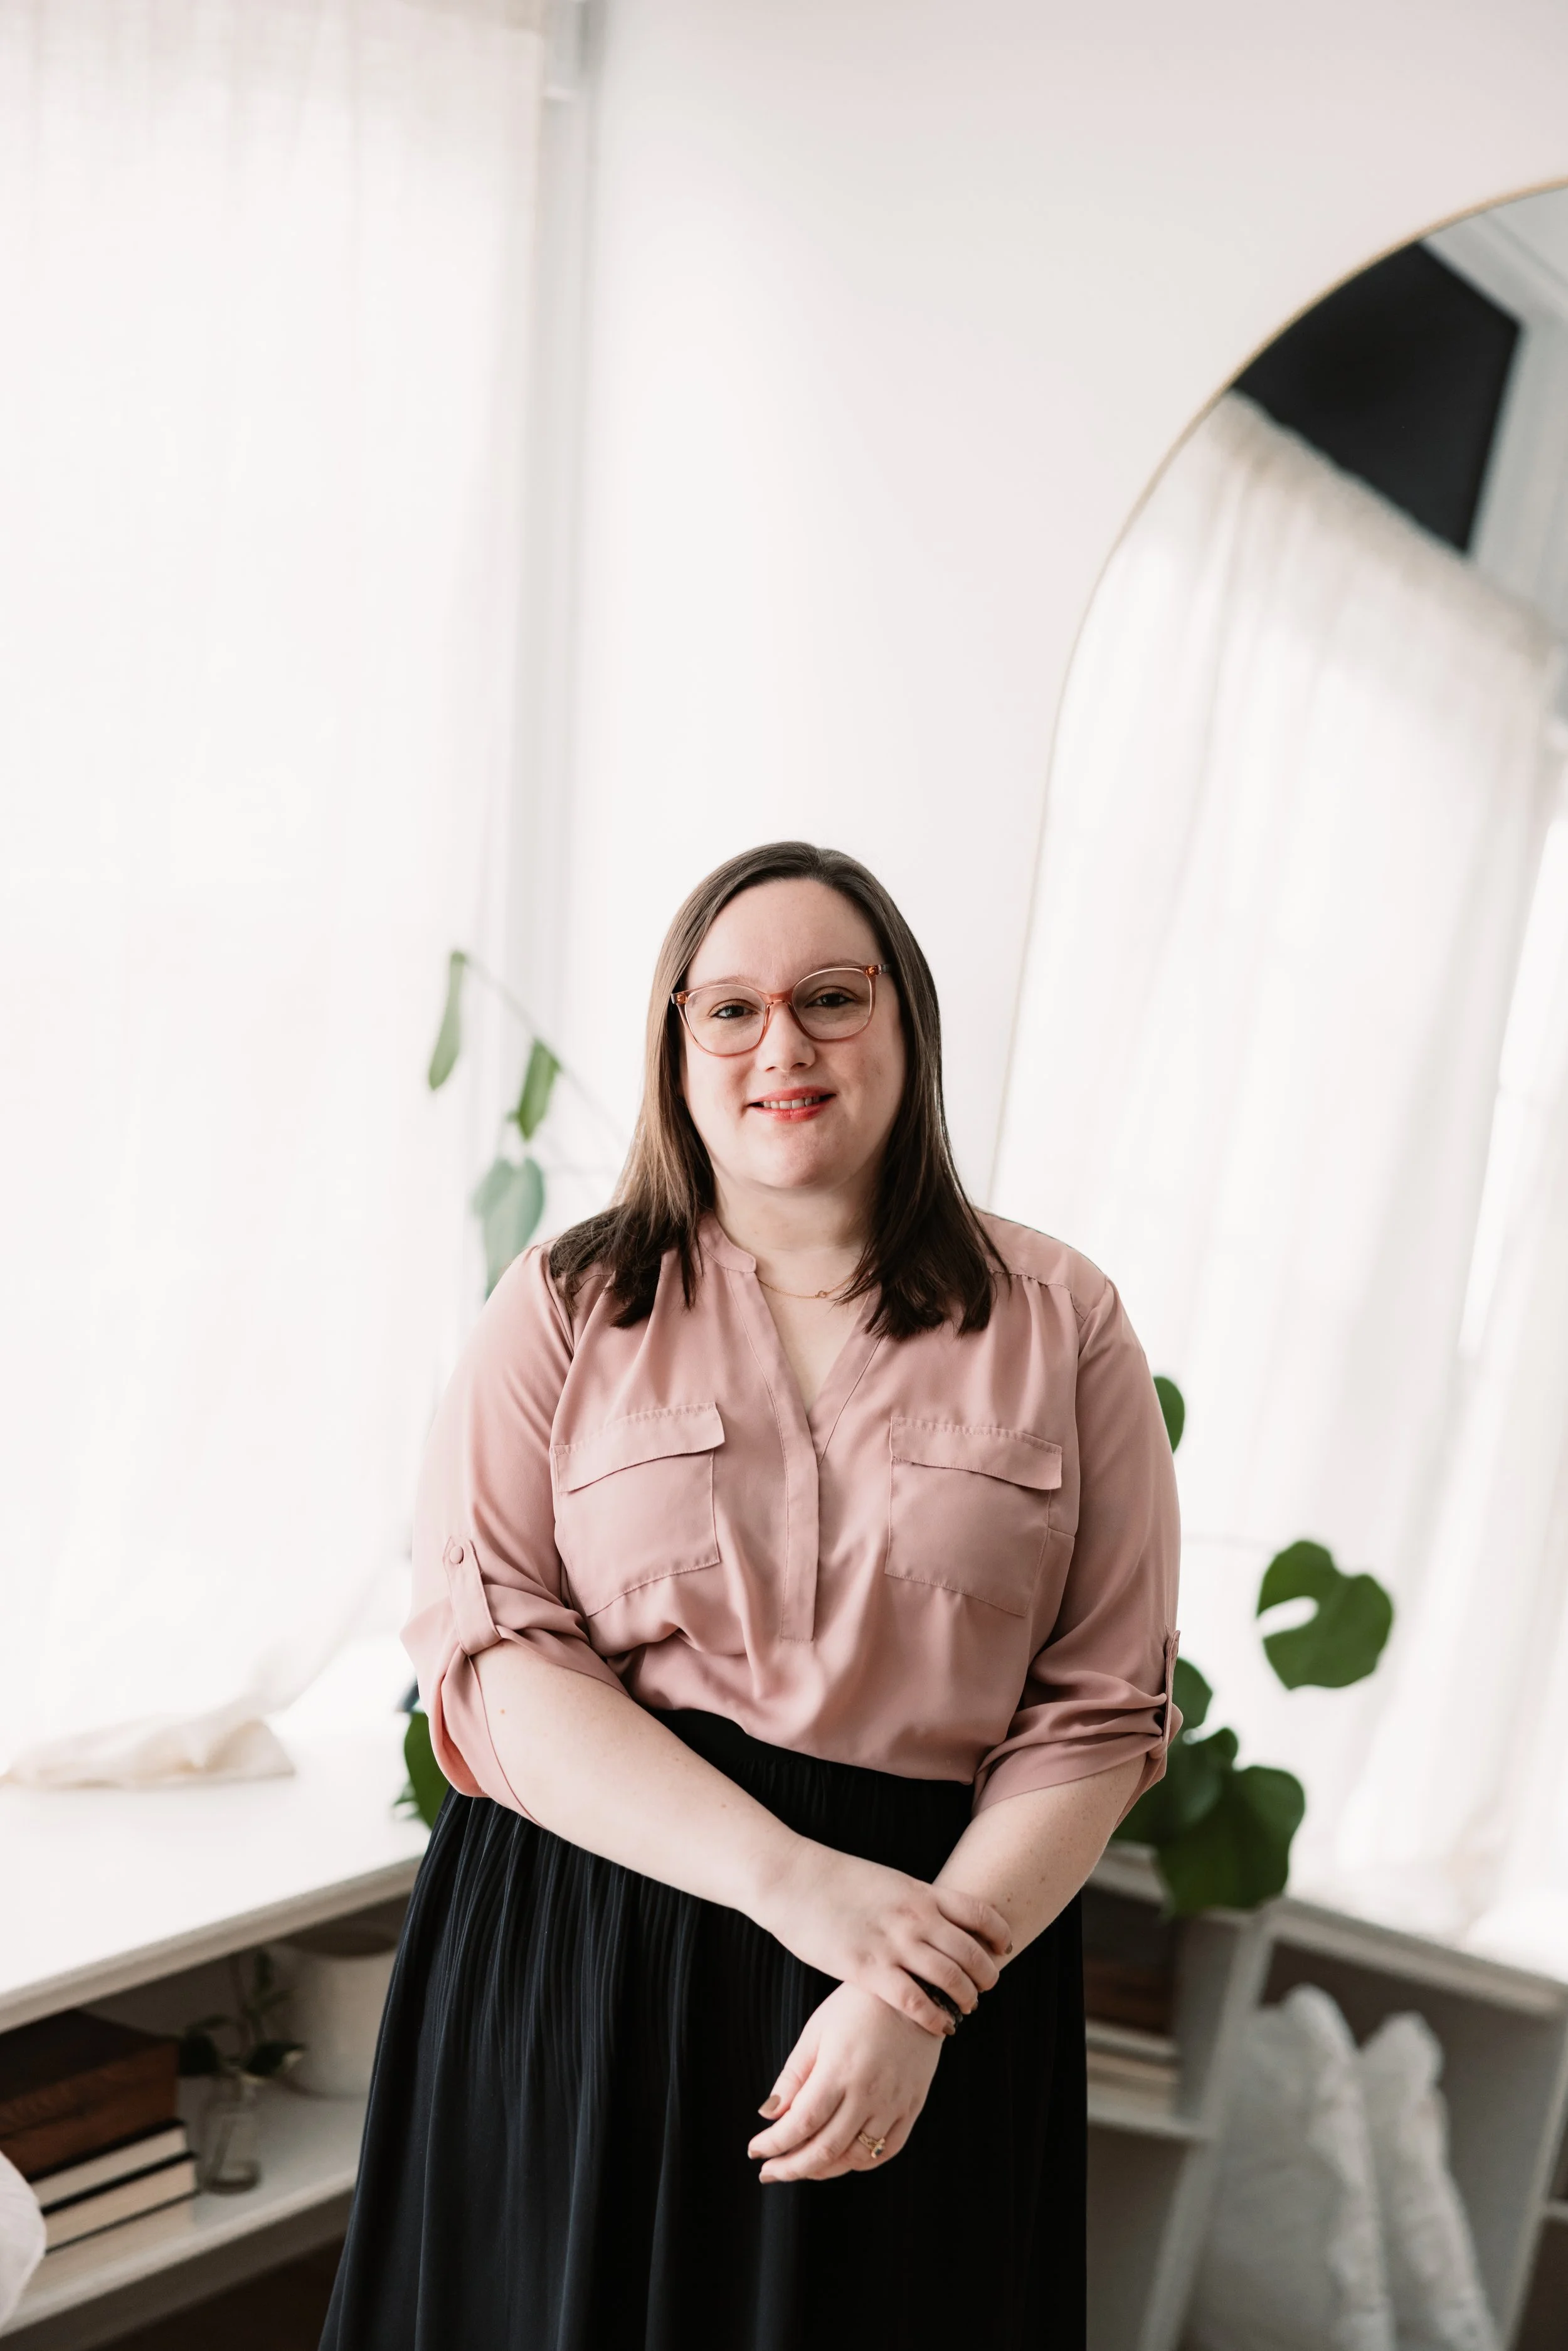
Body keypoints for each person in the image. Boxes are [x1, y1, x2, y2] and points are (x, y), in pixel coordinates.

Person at [320, 840, 1181, 2351]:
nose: (780, 1044)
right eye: (728, 1008)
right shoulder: (560, 1305)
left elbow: (1098, 1714)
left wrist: (911, 1993)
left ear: (905, 1022)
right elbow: (494, 1650)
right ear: (677, 1045)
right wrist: (793, 1884)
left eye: (828, 998)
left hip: (921, 1961)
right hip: (581, 1946)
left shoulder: (1066, 1323)